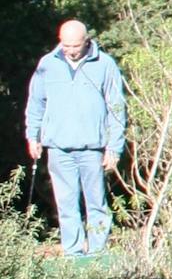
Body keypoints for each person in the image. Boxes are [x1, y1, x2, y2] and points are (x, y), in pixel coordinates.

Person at [24, 19, 127, 260]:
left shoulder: (104, 64)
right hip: (58, 148)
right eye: (66, 45)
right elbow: (35, 103)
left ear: (86, 41)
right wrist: (33, 136)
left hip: (92, 148)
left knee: (96, 202)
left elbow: (116, 107)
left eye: (75, 45)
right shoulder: (47, 64)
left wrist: (114, 147)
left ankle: (98, 252)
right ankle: (73, 252)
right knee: (66, 202)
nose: (70, 50)